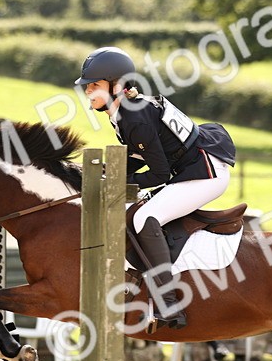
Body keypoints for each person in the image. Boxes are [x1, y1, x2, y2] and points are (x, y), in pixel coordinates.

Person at [75, 46, 237, 330]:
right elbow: (140, 159)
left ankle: (168, 303)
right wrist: (101, 175)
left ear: (118, 85)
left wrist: (113, 184)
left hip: (206, 174)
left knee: (144, 218)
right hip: (192, 167)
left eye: (95, 85)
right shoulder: (125, 111)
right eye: (88, 86)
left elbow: (160, 173)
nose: (89, 91)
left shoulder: (133, 118)